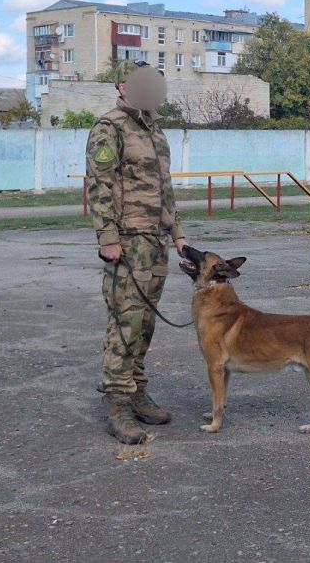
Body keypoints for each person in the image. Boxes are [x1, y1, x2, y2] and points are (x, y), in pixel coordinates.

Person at [86, 62, 188, 444]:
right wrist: (107, 238)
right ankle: (117, 403)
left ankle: (137, 390)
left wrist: (178, 236)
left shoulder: (156, 132)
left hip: (155, 242)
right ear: (123, 86)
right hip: (126, 241)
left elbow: (166, 191)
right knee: (125, 321)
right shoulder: (109, 128)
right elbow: (99, 185)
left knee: (145, 323)